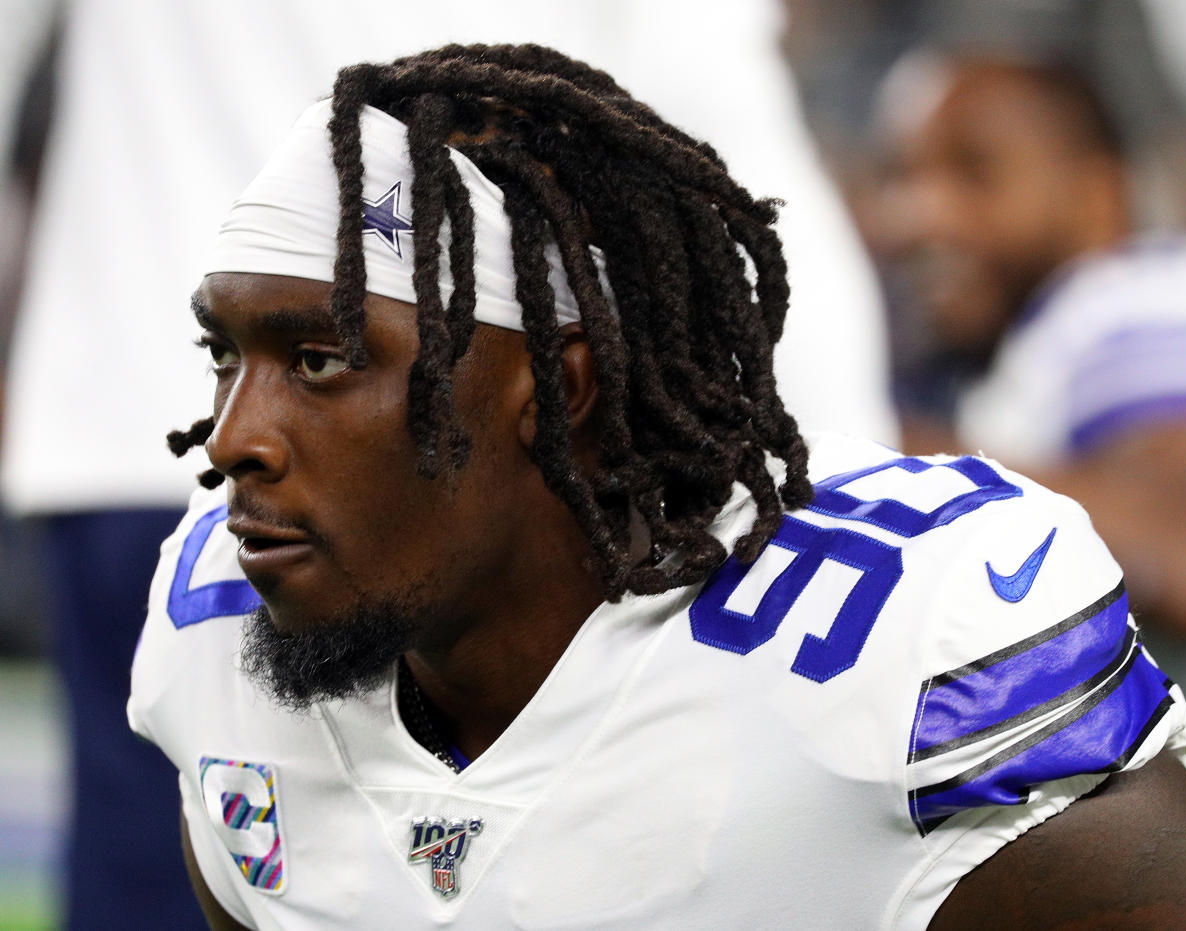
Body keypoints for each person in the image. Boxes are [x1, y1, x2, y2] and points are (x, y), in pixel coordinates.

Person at [128, 44, 1186, 928]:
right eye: (225, 359)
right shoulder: (215, 624)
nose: (233, 439)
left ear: (556, 390)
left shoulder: (871, 654)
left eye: (321, 361)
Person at [3, 2, 891, 925]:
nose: (241, 433)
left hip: (140, 408)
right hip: (487, 427)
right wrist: (816, 470)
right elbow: (723, 112)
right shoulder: (193, 590)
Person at [870, 50, 1186, 820]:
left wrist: (870, 451)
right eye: (904, 177)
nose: (919, 215)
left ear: (1097, 191)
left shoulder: (1142, 290)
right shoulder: (1014, 353)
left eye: (974, 172)